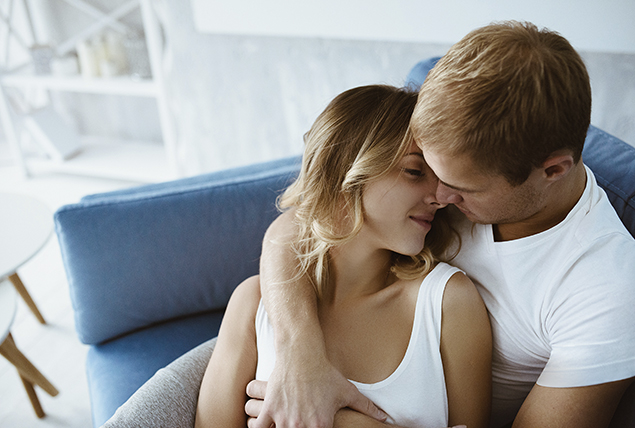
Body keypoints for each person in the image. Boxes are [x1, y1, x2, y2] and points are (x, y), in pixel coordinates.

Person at [246, 21, 635, 428]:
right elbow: (302, 222)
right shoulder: (455, 167)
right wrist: (299, 355)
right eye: (426, 170)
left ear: (552, 169)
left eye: (463, 187)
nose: (441, 196)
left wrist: (341, 420)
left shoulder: (606, 291)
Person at [194, 85, 492, 428]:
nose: (440, 197)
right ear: (346, 172)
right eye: (414, 172)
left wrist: (342, 422)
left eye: (440, 177)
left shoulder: (446, 304)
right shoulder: (253, 304)